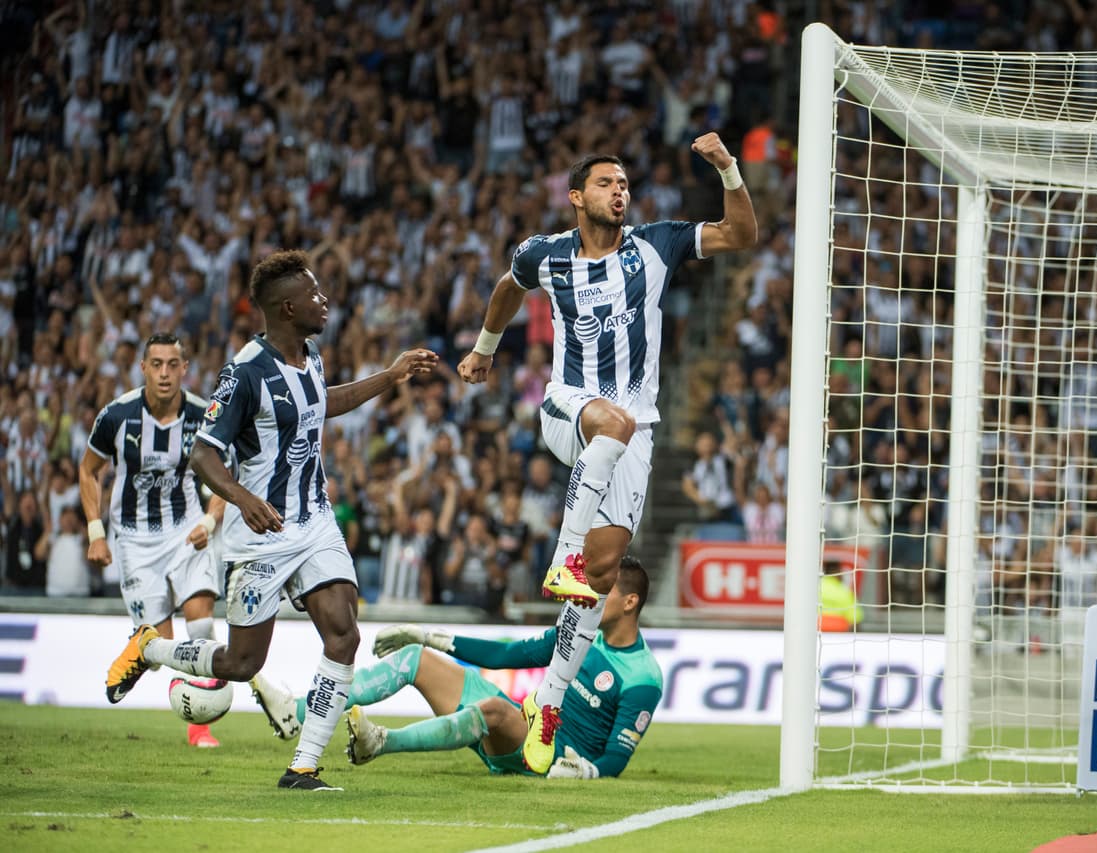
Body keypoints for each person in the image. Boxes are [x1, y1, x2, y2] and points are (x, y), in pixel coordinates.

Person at [456, 133, 756, 772]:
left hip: (636, 436)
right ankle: (565, 553)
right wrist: (485, 346)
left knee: (600, 574)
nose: (619, 192)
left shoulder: (657, 244)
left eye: (624, 184)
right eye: (605, 183)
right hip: (571, 407)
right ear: (576, 197)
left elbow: (740, 235)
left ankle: (549, 706)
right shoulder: (545, 254)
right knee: (611, 420)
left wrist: (728, 168)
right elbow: (510, 287)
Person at [104, 250, 438, 790]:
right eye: (313, 293)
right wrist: (241, 499)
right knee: (239, 663)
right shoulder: (245, 373)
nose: (323, 299)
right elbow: (205, 454)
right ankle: (151, 646)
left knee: (343, 634)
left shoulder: (310, 354)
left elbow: (321, 403)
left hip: (314, 523)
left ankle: (303, 766)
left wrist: (391, 375)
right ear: (287, 307)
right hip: (260, 538)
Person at [250, 556, 661, 779]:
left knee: (498, 710)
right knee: (416, 660)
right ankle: (295, 713)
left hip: (552, 759)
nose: (588, 598)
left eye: (602, 593)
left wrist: (584, 773)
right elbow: (504, 657)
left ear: (629, 603)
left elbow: (615, 759)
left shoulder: (643, 677)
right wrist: (428, 637)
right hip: (522, 729)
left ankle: (381, 743)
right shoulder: (578, 631)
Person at [80, 332, 229, 748]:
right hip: (132, 538)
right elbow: (88, 470)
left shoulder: (204, 416)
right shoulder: (117, 415)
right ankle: (143, 646)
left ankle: (199, 727)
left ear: (185, 369)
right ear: (143, 368)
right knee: (160, 648)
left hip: (185, 530)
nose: (165, 373)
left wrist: (211, 522)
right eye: (157, 364)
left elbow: (223, 480)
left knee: (201, 620)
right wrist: (96, 532)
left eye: (172, 364)